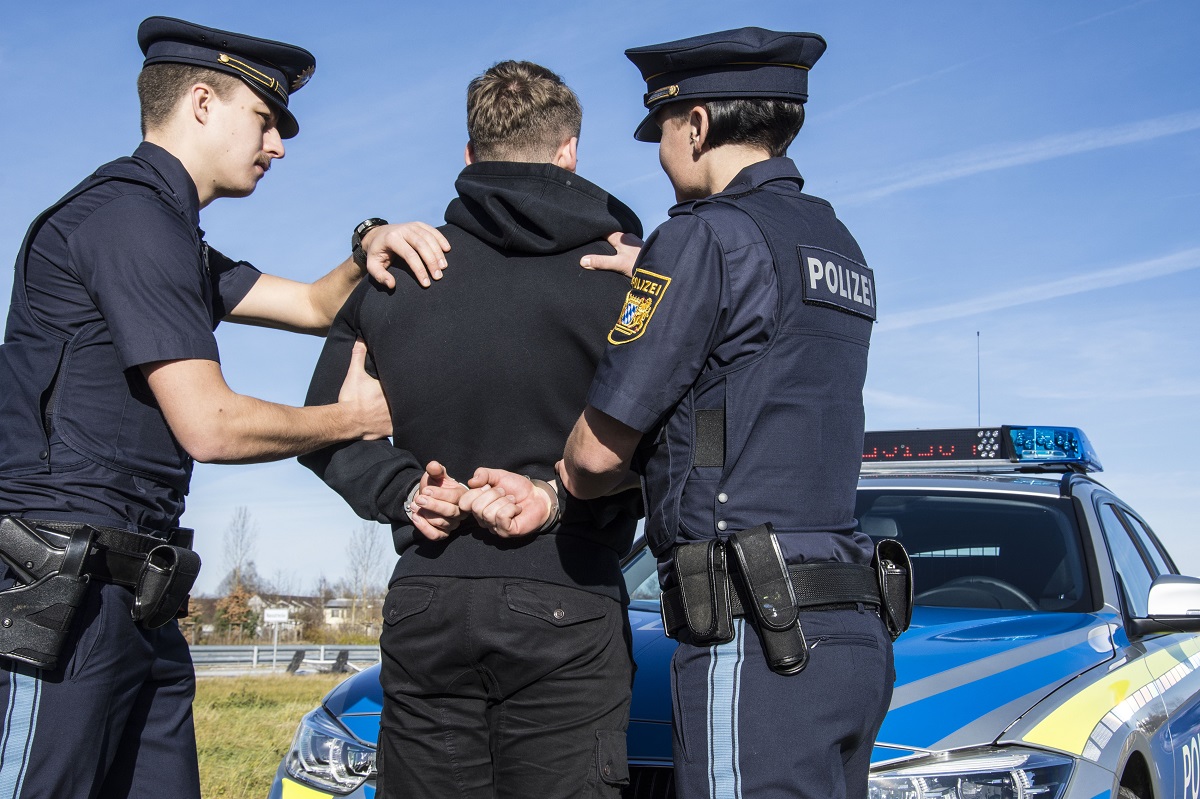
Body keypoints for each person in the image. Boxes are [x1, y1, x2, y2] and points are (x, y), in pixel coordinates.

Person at [0, 16, 449, 799]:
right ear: (201, 101)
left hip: (139, 593)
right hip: (62, 594)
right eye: (266, 120)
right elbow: (208, 424)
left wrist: (367, 243)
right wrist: (351, 420)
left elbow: (310, 304)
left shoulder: (173, 235)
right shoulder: (128, 219)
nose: (278, 145)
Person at [461, 28, 903, 799]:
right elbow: (762, 371)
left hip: (757, 631)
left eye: (662, 130)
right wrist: (676, 281)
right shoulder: (837, 243)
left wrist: (552, 484)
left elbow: (600, 454)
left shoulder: (699, 239)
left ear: (695, 125)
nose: (661, 150)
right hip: (851, 628)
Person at [299, 60, 643, 798]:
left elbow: (324, 429)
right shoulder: (624, 279)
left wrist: (404, 493)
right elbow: (669, 444)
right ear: (570, 152)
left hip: (428, 591)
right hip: (569, 587)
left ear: (468, 158)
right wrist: (556, 493)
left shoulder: (395, 272)